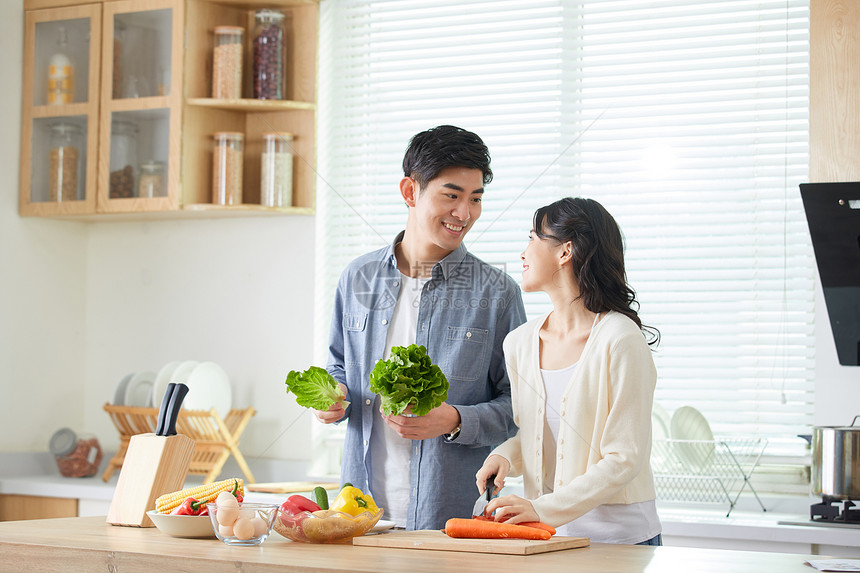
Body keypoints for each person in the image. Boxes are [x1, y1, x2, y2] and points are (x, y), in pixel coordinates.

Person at [315, 125, 527, 530]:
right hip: (357, 514)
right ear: (410, 191)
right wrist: (333, 395)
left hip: (451, 517)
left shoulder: (498, 293)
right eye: (451, 195)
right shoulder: (357, 278)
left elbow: (520, 407)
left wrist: (455, 420)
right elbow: (338, 367)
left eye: (475, 199)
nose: (464, 214)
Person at [475, 196, 662, 545]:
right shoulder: (519, 343)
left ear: (565, 252)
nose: (523, 252)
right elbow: (540, 435)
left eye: (532, 238)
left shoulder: (620, 339)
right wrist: (505, 455)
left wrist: (543, 509)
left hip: (620, 541)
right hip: (549, 539)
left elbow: (624, 457)